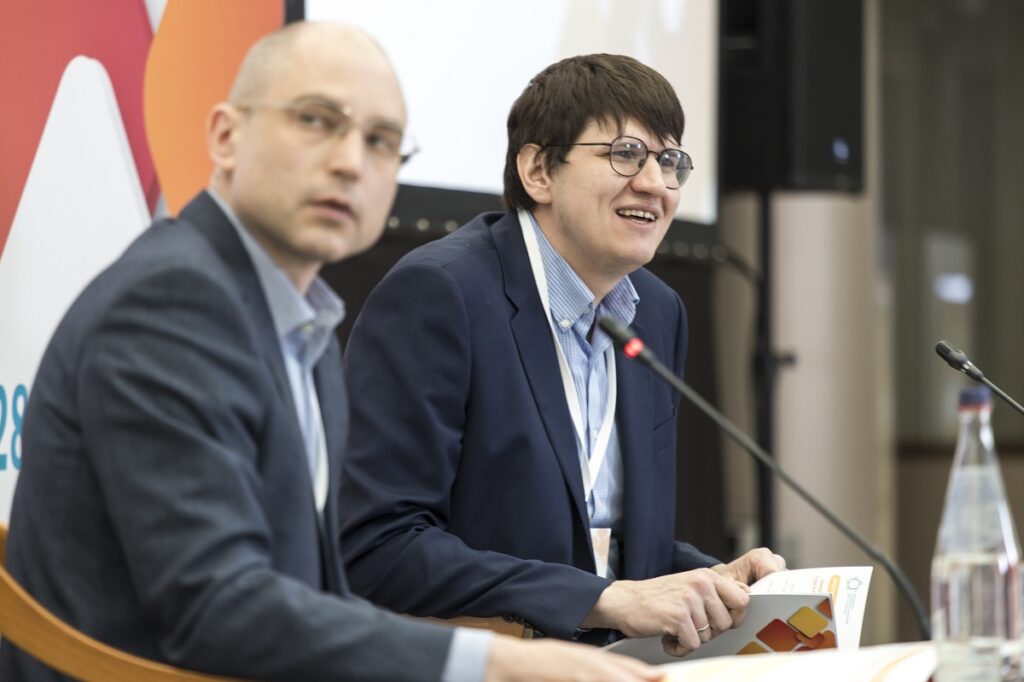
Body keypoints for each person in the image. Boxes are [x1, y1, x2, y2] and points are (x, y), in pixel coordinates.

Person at [0, 24, 660, 682]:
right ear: (226, 137)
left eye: (381, 142)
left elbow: (309, 596)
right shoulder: (172, 302)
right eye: (316, 121)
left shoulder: (301, 324)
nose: (351, 163)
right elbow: (216, 608)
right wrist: (499, 662)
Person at [340, 53, 786, 656]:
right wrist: (600, 600)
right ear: (538, 171)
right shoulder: (441, 294)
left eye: (670, 162)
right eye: (626, 154)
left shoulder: (656, 313)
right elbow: (377, 545)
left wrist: (712, 580)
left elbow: (605, 544)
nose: (655, 184)